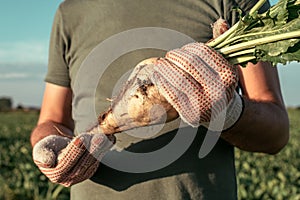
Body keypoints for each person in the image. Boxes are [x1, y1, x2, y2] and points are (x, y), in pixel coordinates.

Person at [30, 0, 289, 199]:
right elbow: (51, 119)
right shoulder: (71, 11)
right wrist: (48, 145)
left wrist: (227, 110)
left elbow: (276, 134)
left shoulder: (235, 3)